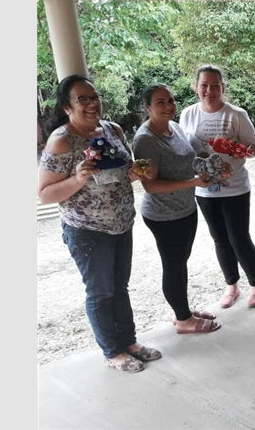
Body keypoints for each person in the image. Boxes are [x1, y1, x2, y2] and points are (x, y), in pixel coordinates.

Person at [38, 74, 161, 373]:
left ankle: (129, 342)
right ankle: (112, 351)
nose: (92, 104)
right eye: (83, 99)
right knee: (100, 292)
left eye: (95, 97)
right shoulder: (62, 140)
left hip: (122, 224)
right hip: (88, 231)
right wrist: (78, 178)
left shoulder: (112, 129)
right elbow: (44, 194)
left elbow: (119, 174)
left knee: (120, 288)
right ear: (67, 107)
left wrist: (136, 173)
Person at [133, 84, 221, 334]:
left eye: (170, 101)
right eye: (160, 102)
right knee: (173, 265)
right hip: (163, 215)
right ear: (147, 107)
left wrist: (204, 167)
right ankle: (183, 320)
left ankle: (183, 310)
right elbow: (150, 186)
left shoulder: (176, 127)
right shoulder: (146, 140)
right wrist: (193, 182)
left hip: (185, 209)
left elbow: (187, 161)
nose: (169, 106)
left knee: (180, 263)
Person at [179, 65, 255, 309]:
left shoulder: (236, 114)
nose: (209, 90)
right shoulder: (188, 114)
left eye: (215, 85)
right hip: (204, 189)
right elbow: (186, 150)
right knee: (219, 239)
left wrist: (248, 151)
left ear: (223, 88)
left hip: (235, 187)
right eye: (204, 85)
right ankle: (232, 285)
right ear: (196, 87)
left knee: (239, 238)